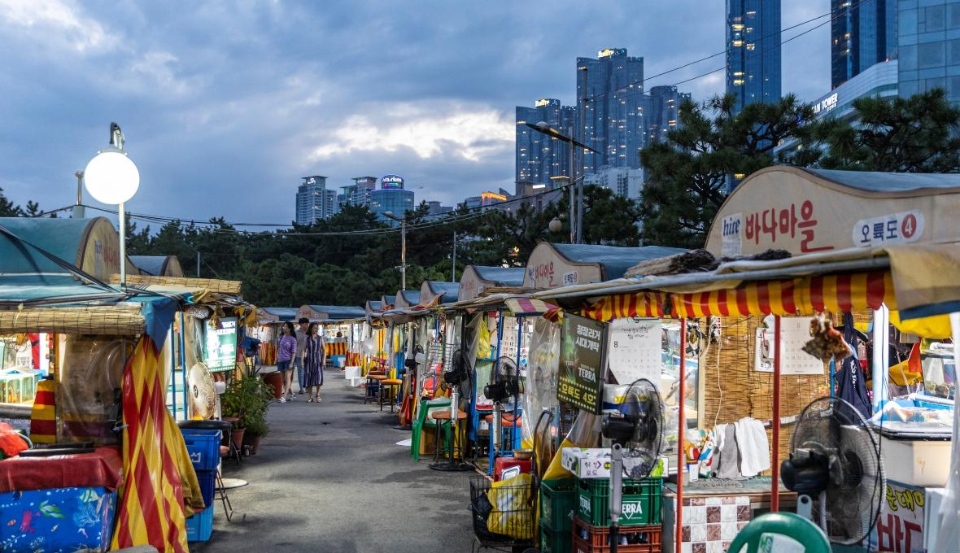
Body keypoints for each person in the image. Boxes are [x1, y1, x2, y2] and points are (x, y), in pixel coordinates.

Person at [303, 322, 326, 403]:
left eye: (317, 328)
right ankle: (310, 396)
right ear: (311, 328)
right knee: (309, 378)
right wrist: (302, 360)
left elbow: (324, 350)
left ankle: (318, 394)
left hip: (318, 359)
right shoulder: (307, 339)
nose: (316, 329)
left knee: (318, 377)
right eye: (315, 328)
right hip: (309, 360)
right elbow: (304, 350)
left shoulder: (320, 338)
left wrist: (323, 360)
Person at [276, 321, 297, 403]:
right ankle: (292, 394)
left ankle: (284, 397)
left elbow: (294, 352)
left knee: (287, 378)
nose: (283, 328)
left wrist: (292, 362)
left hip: (288, 360)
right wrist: (277, 357)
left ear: (289, 328)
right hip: (281, 360)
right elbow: (279, 348)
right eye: (283, 326)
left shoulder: (292, 339)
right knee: (283, 380)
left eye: (285, 326)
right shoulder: (281, 337)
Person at [294, 317, 310, 395]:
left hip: (309, 355)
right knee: (301, 372)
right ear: (301, 324)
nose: (307, 325)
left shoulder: (309, 333)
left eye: (307, 323)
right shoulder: (296, 333)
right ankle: (301, 388)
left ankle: (307, 387)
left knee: (308, 371)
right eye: (306, 323)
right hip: (299, 355)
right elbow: (294, 345)